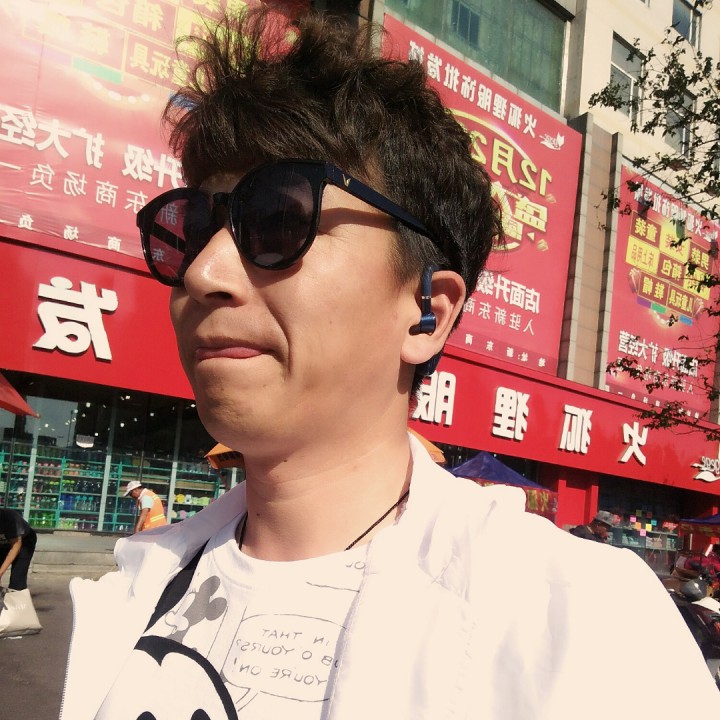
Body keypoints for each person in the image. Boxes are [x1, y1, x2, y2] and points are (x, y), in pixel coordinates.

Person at [60, 7, 720, 719]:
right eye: (191, 229)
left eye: (277, 219)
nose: (203, 272)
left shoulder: (586, 631)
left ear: (427, 310)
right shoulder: (135, 590)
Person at [0, 507, 37, 591]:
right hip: (3, 543)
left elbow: (15, 546)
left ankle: (16, 595)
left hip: (24, 541)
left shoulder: (9, 518)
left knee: (17, 576)